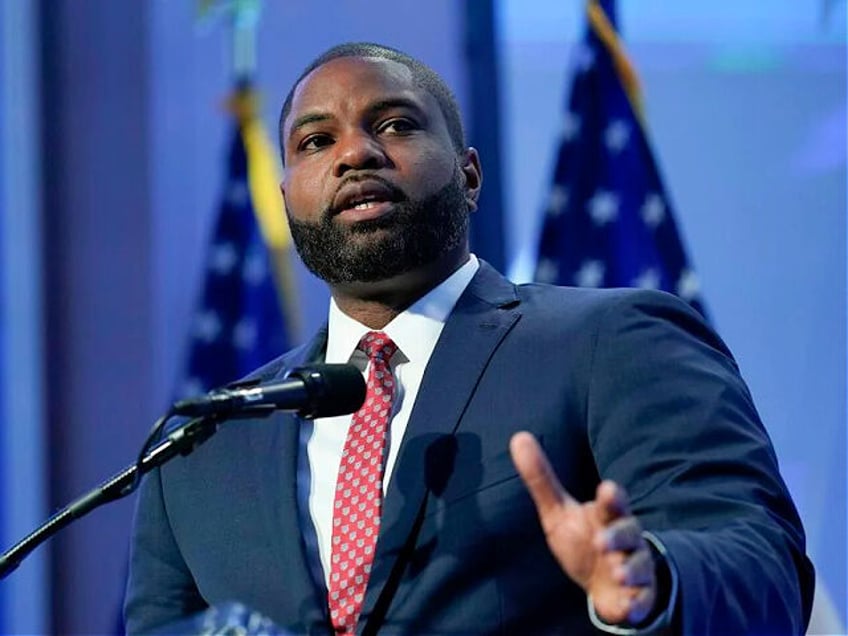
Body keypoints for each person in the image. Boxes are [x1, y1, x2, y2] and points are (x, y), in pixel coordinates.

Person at [125, 42, 814, 635]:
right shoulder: (202, 445)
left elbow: (760, 564)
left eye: (393, 124)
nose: (356, 153)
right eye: (316, 141)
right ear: (287, 197)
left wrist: (654, 582)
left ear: (469, 174)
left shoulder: (615, 341)